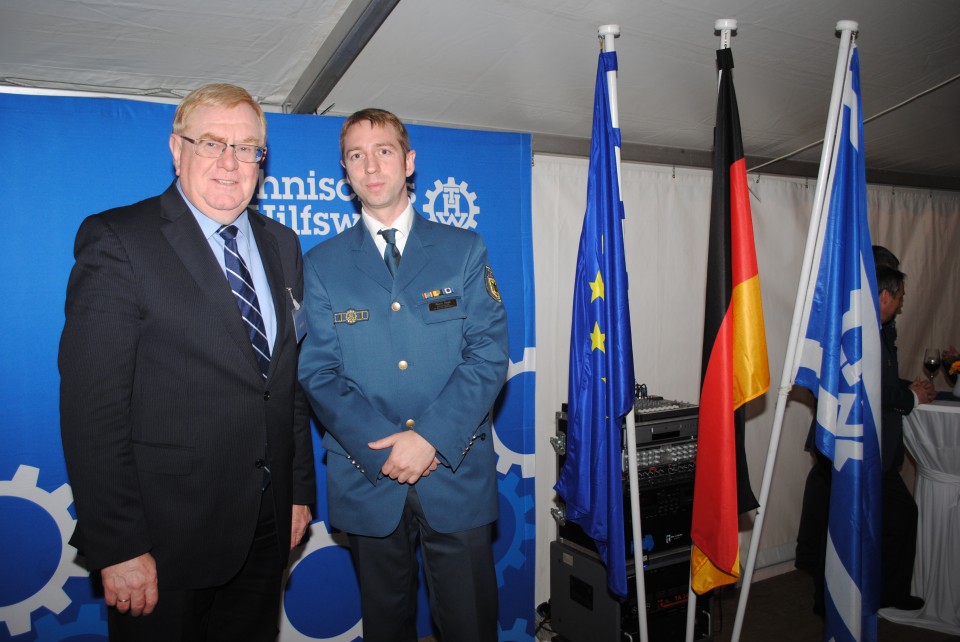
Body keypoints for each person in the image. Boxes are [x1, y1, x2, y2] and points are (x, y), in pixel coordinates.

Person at [59, 83, 316, 641]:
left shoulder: (283, 245)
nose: (230, 162)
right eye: (211, 143)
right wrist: (120, 544)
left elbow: (285, 383)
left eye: (248, 147)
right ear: (177, 149)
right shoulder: (119, 240)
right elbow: (92, 409)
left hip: (264, 529)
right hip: (163, 538)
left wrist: (296, 492)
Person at [297, 108, 509, 642]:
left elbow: (486, 356)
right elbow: (319, 373)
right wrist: (388, 450)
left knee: (470, 628)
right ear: (344, 173)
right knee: (386, 631)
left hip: (454, 474)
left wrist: (430, 439)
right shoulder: (321, 264)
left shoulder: (464, 250)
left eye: (384, 151)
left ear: (409, 162)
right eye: (356, 156)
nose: (371, 166)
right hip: (369, 480)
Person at [796, 259, 934, 615]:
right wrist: (911, 396)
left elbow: (883, 382)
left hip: (873, 450)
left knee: (897, 517)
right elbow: (866, 386)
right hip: (847, 444)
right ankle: (827, 601)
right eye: (900, 295)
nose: (903, 302)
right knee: (840, 524)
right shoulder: (857, 328)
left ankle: (884, 591)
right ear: (885, 295)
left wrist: (907, 387)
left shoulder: (882, 327)